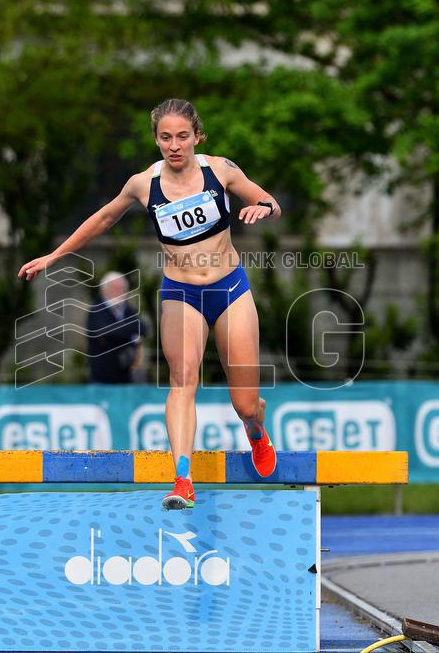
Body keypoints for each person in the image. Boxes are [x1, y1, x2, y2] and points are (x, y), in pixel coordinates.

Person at [19, 98, 280, 510]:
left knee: (244, 403)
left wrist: (261, 208)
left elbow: (268, 200)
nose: (174, 146)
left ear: (197, 137)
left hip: (229, 289)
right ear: (156, 140)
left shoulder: (221, 170)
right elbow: (102, 219)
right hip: (180, 293)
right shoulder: (143, 184)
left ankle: (256, 430)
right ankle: (182, 480)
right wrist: (54, 256)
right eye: (165, 138)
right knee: (182, 381)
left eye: (182, 136)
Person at [85, 271, 144, 384]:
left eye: (122, 289)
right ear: (104, 290)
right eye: (115, 288)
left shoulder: (128, 310)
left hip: (125, 375)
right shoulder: (96, 310)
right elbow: (105, 332)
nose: (120, 292)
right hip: (102, 376)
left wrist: (120, 333)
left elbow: (143, 328)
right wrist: (130, 336)